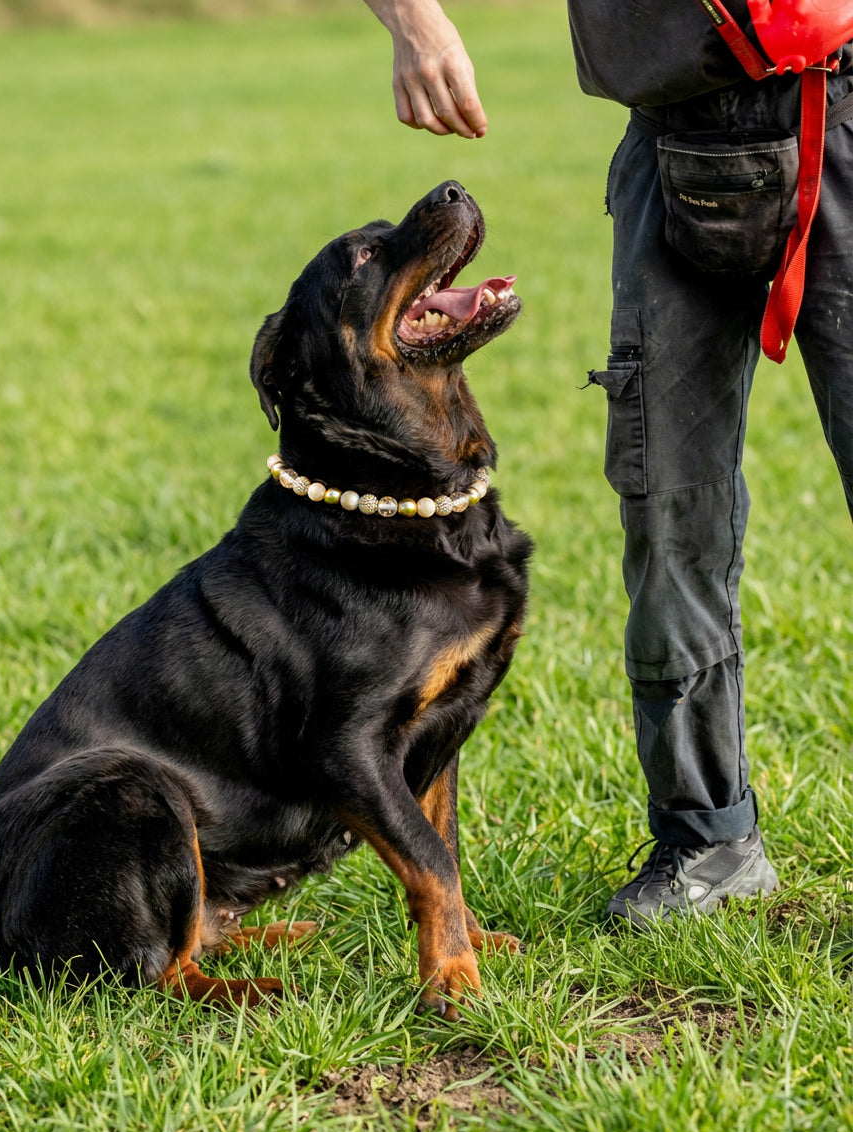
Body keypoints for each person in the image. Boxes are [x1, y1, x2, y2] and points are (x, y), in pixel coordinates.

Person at [362, 0, 853, 926]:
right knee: (667, 507)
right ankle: (709, 841)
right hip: (671, 136)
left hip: (842, 109)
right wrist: (416, 22)